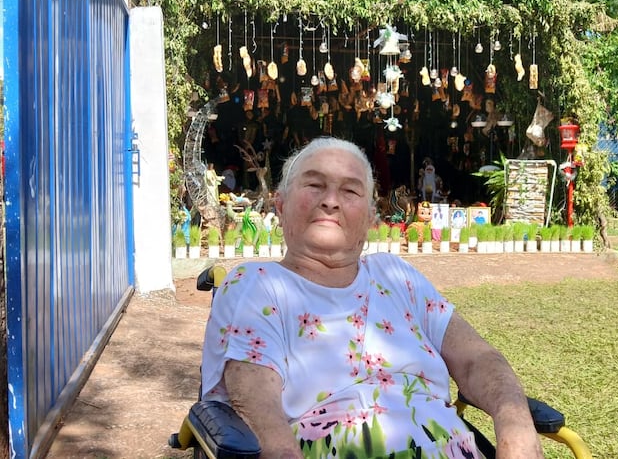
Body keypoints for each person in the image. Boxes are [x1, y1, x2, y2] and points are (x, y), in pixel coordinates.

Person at [200, 137, 544, 459]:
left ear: (369, 219)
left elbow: (476, 358)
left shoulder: (397, 276)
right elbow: (259, 407)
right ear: (281, 204)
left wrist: (515, 424)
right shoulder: (258, 284)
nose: (330, 200)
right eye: (314, 185)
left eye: (350, 190)